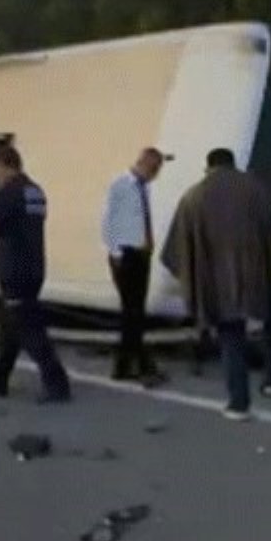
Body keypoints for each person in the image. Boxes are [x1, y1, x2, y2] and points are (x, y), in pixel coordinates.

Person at [162, 148, 271, 421]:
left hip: (217, 283)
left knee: (231, 337)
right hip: (259, 276)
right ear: (233, 164)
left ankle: (239, 404)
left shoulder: (193, 197)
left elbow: (174, 253)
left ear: (209, 168)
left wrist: (194, 278)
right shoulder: (257, 190)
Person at [0, 144, 70, 403]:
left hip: (14, 269)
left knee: (30, 329)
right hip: (34, 267)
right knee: (10, 325)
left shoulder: (9, 192)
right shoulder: (36, 191)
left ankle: (57, 385)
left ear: (1, 165)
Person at [100, 147, 168, 386]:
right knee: (132, 313)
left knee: (135, 312)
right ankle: (133, 365)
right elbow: (108, 221)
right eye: (154, 169)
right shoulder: (121, 186)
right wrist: (116, 252)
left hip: (140, 255)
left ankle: (131, 364)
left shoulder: (143, 188)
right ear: (144, 164)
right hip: (126, 254)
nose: (156, 174)